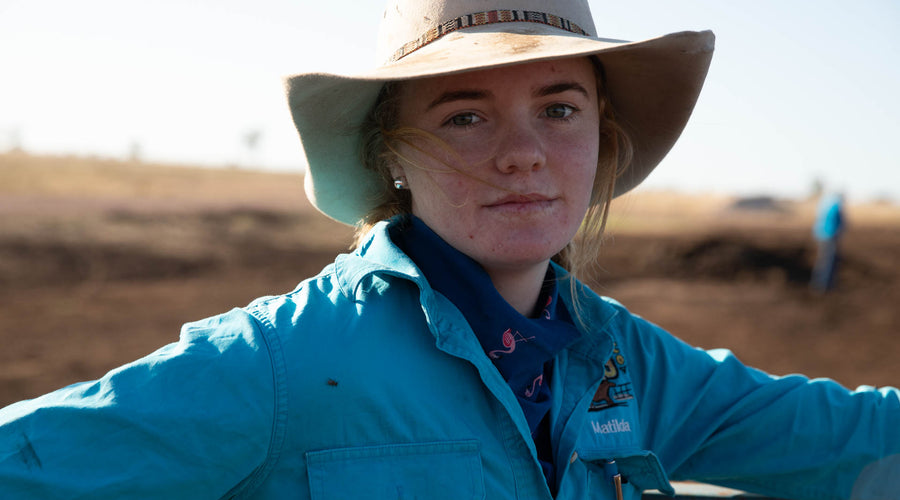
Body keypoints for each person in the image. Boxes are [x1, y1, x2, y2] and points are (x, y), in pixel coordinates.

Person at [1, 1, 898, 499]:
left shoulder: (627, 363)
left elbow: (856, 444)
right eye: (464, 114)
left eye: (559, 107)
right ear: (390, 152)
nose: (523, 152)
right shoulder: (280, 365)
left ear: (601, 138)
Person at [810, 191, 845, 293]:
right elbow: (840, 223)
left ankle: (818, 284)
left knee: (822, 260)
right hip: (830, 236)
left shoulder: (824, 205)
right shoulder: (836, 207)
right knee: (829, 262)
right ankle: (825, 285)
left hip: (822, 236)